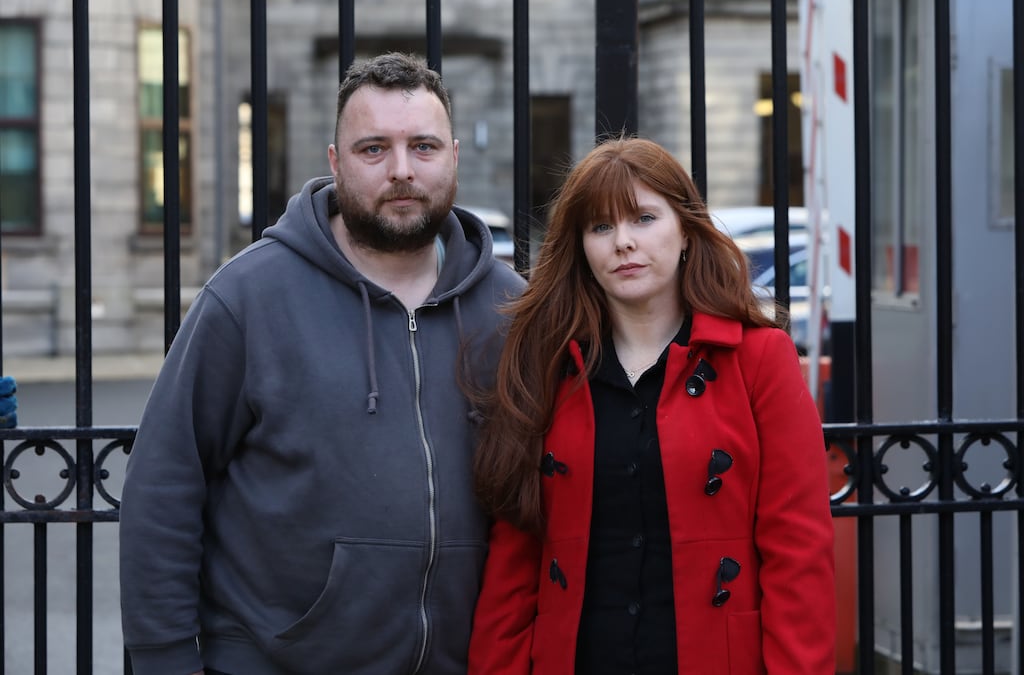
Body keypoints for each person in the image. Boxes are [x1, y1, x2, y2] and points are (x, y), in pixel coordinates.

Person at [119, 52, 525, 675]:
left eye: (423, 146)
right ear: (335, 163)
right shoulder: (248, 298)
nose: (401, 170)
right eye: (372, 149)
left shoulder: (511, 308)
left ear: (454, 157)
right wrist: (163, 660)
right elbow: (165, 489)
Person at [468, 136, 835, 674]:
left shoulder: (760, 359)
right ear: (581, 247)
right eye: (600, 226)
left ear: (685, 229)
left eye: (643, 218)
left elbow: (798, 552)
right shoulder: (544, 369)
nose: (623, 242)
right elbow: (514, 559)